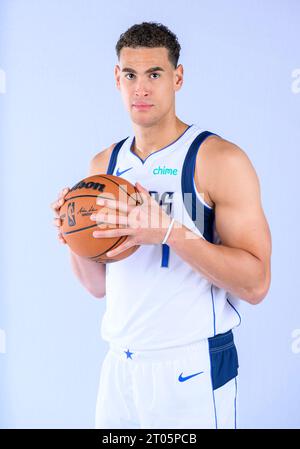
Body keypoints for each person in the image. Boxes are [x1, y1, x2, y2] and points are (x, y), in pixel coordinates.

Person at [51, 22, 271, 429]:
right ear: (117, 78)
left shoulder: (218, 160)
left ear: (178, 77)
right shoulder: (104, 167)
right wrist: (70, 234)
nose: (141, 88)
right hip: (120, 364)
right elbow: (98, 285)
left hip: (191, 366)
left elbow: (256, 284)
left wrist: (170, 232)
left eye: (154, 74)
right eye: (130, 75)